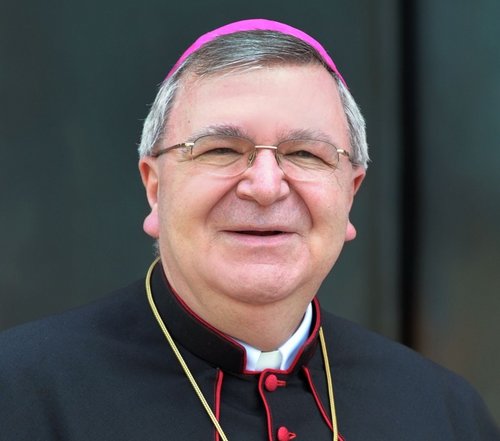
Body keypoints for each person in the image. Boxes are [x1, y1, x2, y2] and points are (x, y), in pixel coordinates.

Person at [1, 19, 498, 441]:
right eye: (220, 150)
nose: (264, 187)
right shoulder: (20, 391)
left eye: (305, 154)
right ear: (155, 187)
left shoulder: (444, 412)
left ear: (350, 193)